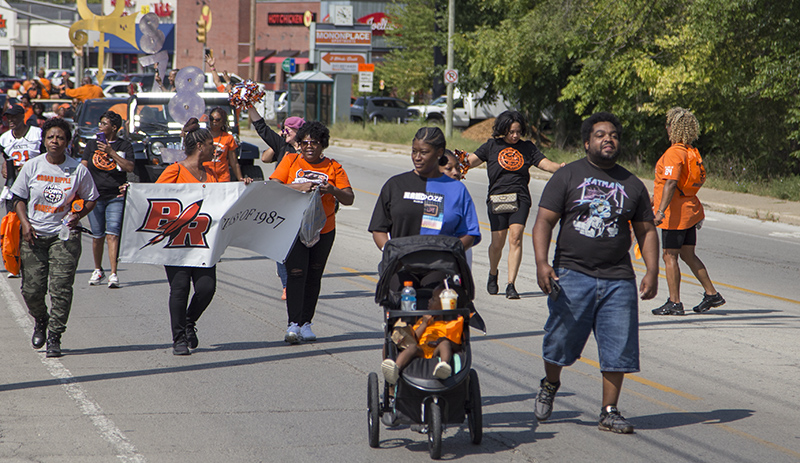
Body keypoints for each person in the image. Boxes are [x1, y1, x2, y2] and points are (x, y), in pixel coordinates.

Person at [531, 112, 659, 434]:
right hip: (572, 273)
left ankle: (609, 411)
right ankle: (550, 383)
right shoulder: (567, 176)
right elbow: (544, 222)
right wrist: (542, 263)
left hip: (618, 278)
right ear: (587, 142)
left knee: (619, 346)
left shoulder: (632, 184)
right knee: (559, 341)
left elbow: (646, 231)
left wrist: (652, 270)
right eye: (601, 134)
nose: (608, 139)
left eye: (613, 135)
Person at [9, 117, 99, 357]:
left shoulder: (78, 169)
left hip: (64, 237)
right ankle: (41, 319)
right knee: (32, 290)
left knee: (60, 289)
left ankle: (55, 336)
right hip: (34, 235)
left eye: (60, 137)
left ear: (67, 142)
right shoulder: (32, 166)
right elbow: (17, 198)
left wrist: (77, 216)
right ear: (45, 141)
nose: (55, 141)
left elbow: (91, 197)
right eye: (51, 137)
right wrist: (25, 224)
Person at [270, 121, 354, 344]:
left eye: (314, 143)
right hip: (293, 229)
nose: (309, 146)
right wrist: (299, 186)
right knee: (296, 274)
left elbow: (349, 198)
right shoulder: (290, 161)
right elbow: (274, 187)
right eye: (304, 142)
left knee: (313, 276)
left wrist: (333, 189)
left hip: (323, 229)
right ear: (299, 144)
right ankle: (293, 325)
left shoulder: (333, 167)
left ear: (322, 145)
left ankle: (307, 323)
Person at [467, 110, 562, 299]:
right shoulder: (492, 146)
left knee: (516, 237)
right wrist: (447, 163)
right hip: (497, 198)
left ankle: (511, 284)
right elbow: (469, 162)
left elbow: (546, 164)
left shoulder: (527, 148)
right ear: (503, 130)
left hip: (520, 198)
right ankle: (493, 273)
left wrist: (562, 169)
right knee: (497, 243)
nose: (515, 135)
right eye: (511, 132)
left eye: (518, 131)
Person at [156, 118, 224, 355]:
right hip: (177, 242)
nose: (214, 149)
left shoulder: (211, 173)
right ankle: (179, 340)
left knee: (207, 288)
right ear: (200, 147)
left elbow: (223, 200)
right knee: (180, 288)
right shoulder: (174, 170)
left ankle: (188, 321)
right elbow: (155, 199)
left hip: (204, 243)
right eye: (211, 144)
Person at [651, 107, 725, 315]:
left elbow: (671, 183)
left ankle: (674, 302)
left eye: (668, 125)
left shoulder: (674, 153)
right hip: (690, 211)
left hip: (675, 215)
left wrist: (660, 211)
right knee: (688, 254)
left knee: (669, 256)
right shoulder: (691, 151)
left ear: (672, 129)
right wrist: (653, 200)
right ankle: (712, 294)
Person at [369, 127, 481, 254]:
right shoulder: (395, 185)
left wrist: (449, 254)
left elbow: (470, 232)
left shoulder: (457, 189)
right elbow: (378, 229)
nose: (417, 157)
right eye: (414, 151)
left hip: (440, 268)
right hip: (400, 267)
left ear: (439, 153)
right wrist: (390, 252)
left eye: (423, 152)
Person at [248, 104, 305, 300]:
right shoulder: (282, 146)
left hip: (304, 205)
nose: (284, 132)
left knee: (302, 246)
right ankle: (287, 285)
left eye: (289, 129)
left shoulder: (309, 150)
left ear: (299, 131)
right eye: (284, 128)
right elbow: (261, 127)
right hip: (282, 203)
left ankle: (301, 281)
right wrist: (248, 104)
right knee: (281, 246)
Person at [80, 111, 134, 288]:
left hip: (115, 196)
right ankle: (97, 269)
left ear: (114, 128)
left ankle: (113, 273)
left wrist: (111, 152)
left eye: (104, 124)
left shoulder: (124, 146)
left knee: (113, 234)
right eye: (100, 123)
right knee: (97, 235)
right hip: (95, 197)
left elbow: (129, 168)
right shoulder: (91, 144)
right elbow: (84, 168)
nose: (100, 126)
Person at [381, 285, 462, 384]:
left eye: (433, 299)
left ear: (443, 304)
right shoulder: (425, 320)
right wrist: (424, 324)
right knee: (412, 347)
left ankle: (444, 366)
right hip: (421, 350)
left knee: (444, 343)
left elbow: (458, 346)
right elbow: (413, 338)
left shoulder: (454, 322)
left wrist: (442, 341)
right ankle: (395, 369)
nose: (429, 301)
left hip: (436, 352)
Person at [1, 105, 43, 214]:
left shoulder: (37, 134)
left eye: (14, 117)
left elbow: (47, 156)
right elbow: (6, 159)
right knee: (12, 220)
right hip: (14, 184)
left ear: (22, 116)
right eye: (8, 117)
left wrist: (29, 165)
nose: (10, 120)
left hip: (35, 182)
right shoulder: (4, 138)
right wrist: (5, 166)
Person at [204, 107, 245, 182]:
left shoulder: (228, 138)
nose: (214, 121)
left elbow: (234, 162)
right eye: (211, 118)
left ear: (223, 121)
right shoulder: (203, 136)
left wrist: (241, 179)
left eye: (217, 120)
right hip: (206, 177)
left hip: (222, 178)